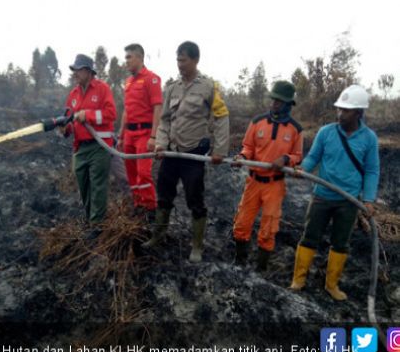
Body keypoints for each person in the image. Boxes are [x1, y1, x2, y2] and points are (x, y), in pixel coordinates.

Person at [142, 41, 230, 263]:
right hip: (171, 153)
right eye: (177, 60)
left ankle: (197, 246)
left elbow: (221, 117)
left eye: (183, 60)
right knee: (163, 195)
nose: (179, 64)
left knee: (195, 199)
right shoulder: (172, 88)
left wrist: (220, 150)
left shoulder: (209, 87)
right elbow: (164, 121)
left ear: (195, 60)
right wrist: (160, 143)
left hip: (194, 154)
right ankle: (158, 235)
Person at [289, 84, 379, 300]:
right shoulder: (326, 132)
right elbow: (313, 157)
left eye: (345, 110)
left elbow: (372, 170)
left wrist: (368, 199)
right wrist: (304, 169)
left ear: (358, 112)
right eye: (339, 109)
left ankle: (331, 285)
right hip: (322, 196)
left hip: (348, 202)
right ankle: (298, 280)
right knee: (309, 236)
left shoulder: (369, 138)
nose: (340, 113)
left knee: (340, 242)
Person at [231, 81, 303, 271]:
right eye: (273, 100)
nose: (274, 104)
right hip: (254, 182)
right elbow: (248, 147)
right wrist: (243, 156)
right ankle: (240, 263)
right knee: (242, 223)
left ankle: (261, 269)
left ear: (289, 104)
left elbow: (297, 156)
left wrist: (286, 159)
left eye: (279, 101)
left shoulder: (296, 129)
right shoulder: (257, 122)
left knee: (268, 229)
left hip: (275, 185)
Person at [61, 54, 117, 239]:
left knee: (98, 186)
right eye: (74, 70)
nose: (75, 73)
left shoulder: (102, 89)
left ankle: (97, 226)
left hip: (100, 147)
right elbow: (70, 121)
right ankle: (89, 219)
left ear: (88, 71)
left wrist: (88, 115)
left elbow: (111, 114)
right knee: (83, 184)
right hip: (81, 148)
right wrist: (64, 129)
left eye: (78, 70)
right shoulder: (73, 95)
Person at [118, 43, 163, 221]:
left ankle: (151, 208)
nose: (126, 61)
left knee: (143, 173)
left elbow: (157, 108)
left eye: (129, 57)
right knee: (131, 173)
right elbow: (127, 110)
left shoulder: (152, 79)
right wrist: (121, 135)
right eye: (126, 58)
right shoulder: (128, 82)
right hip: (129, 134)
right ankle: (138, 205)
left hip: (145, 134)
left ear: (140, 57)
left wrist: (154, 136)